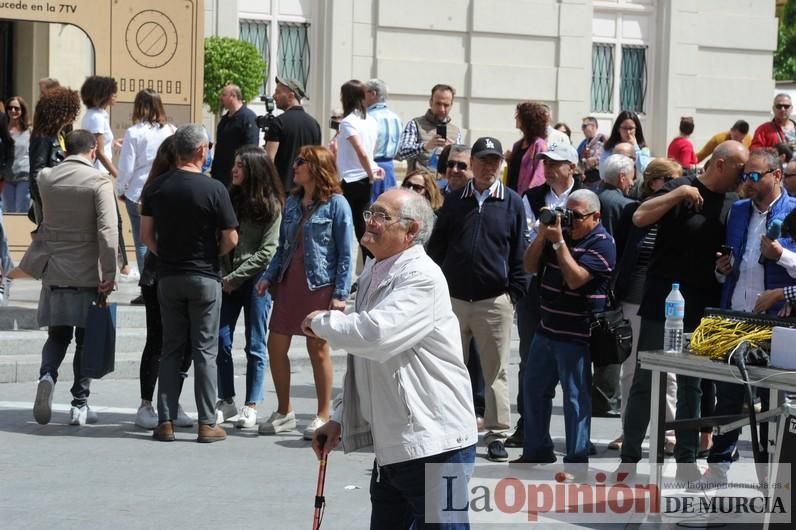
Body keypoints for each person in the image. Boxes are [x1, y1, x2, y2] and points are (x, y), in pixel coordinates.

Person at [307, 189, 477, 529]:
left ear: (411, 231)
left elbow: (376, 336)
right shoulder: (374, 271)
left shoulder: (421, 277)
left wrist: (321, 322)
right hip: (394, 447)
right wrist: (340, 417)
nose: (370, 221)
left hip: (435, 443)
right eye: (371, 213)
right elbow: (364, 362)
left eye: (382, 216)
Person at [619, 141, 749, 478]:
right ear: (720, 164)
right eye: (739, 168)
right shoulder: (681, 187)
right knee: (646, 380)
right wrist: (678, 195)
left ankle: (687, 461)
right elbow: (639, 217)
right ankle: (630, 457)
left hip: (700, 304)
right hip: (662, 300)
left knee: (692, 385)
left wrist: (724, 266)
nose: (743, 175)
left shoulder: (732, 203)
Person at [427, 137, 528, 462]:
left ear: (501, 164)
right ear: (472, 162)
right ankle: (448, 428)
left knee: (495, 371)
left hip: (494, 301)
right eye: (482, 160)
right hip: (454, 300)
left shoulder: (512, 202)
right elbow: (438, 249)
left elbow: (519, 253)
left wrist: (513, 293)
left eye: (494, 161)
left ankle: (497, 434)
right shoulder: (455, 200)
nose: (488, 167)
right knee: (448, 367)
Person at [140, 124, 239, 443]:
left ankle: (165, 420)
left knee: (171, 347)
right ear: (200, 151)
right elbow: (231, 237)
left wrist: (166, 253)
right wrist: (213, 255)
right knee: (204, 351)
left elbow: (145, 236)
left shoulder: (156, 187)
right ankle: (207, 423)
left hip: (168, 276)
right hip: (204, 275)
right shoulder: (214, 189)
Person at [705, 149, 796, 481]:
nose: (747, 182)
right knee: (727, 398)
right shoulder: (738, 211)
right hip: (734, 319)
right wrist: (721, 269)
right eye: (745, 176)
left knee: (775, 405)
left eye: (755, 176)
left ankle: (774, 482)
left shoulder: (793, 212)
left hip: (776, 325)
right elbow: (733, 265)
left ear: (775, 175)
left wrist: (782, 254)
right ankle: (717, 470)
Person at [255, 146, 353, 440]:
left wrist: (340, 293)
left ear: (316, 167)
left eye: (300, 162)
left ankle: (323, 414)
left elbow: (347, 252)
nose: (294, 166)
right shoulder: (293, 203)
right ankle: (284, 411)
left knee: (317, 348)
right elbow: (283, 246)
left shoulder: (337, 205)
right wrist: (268, 276)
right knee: (275, 346)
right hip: (289, 283)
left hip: (319, 286)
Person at [21, 130, 118, 426]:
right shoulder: (98, 181)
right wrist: (110, 272)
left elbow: (39, 216)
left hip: (55, 271)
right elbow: (107, 231)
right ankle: (79, 403)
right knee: (86, 340)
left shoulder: (47, 178)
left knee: (57, 335)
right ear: (93, 151)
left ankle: (47, 376)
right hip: (88, 273)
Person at [517, 188, 616, 467]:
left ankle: (576, 456)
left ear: (596, 217)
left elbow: (575, 279)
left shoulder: (603, 243)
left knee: (575, 399)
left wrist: (559, 242)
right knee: (534, 390)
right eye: (566, 213)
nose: (569, 221)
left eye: (576, 216)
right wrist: (542, 235)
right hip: (546, 328)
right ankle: (536, 449)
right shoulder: (557, 236)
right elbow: (528, 265)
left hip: (576, 334)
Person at [507, 143, 582, 448]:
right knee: (529, 360)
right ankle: (529, 427)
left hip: (574, 290)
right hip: (537, 289)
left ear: (572, 167)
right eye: (546, 163)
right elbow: (527, 240)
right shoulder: (533, 197)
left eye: (556, 163)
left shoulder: (585, 199)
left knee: (575, 365)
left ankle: (578, 437)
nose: (549, 168)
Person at [610, 158, 683, 453]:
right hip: (634, 298)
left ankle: (669, 433)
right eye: (672, 181)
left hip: (670, 300)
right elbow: (621, 250)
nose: (680, 186)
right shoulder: (633, 211)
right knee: (630, 369)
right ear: (655, 182)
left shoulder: (680, 212)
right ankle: (629, 429)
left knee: (671, 371)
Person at [214, 146, 283, 429]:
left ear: (254, 169)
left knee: (255, 343)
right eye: (234, 164)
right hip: (228, 278)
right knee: (220, 339)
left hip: (256, 281)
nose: (234, 170)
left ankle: (251, 404)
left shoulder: (272, 205)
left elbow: (268, 251)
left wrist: (236, 276)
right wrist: (224, 274)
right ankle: (226, 399)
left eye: (240, 165)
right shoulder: (228, 198)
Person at [132, 136, 194, 430]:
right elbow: (147, 236)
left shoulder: (161, 186)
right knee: (163, 339)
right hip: (162, 272)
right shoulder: (157, 189)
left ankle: (166, 401)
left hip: (168, 270)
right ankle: (149, 403)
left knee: (175, 340)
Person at [116, 89, 175, 287]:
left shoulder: (133, 132)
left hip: (138, 191)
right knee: (164, 238)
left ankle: (147, 285)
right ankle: (163, 282)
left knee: (142, 241)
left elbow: (126, 168)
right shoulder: (170, 130)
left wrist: (120, 189)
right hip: (166, 191)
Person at [80, 75, 131, 278]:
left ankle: (122, 265)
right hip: (99, 175)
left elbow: (101, 146)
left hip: (99, 174)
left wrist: (113, 144)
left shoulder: (97, 114)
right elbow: (98, 151)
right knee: (113, 220)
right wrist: (118, 174)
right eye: (113, 92)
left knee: (110, 220)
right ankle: (123, 266)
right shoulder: (96, 117)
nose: (115, 96)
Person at [335, 80, 380, 263]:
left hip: (351, 179)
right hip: (364, 178)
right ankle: (369, 265)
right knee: (361, 225)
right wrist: (373, 170)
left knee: (354, 228)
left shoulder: (348, 122)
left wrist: (371, 172)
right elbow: (369, 150)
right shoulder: (371, 120)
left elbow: (361, 150)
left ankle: (368, 265)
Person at [28, 86, 81, 224]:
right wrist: (45, 204)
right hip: (49, 201)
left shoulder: (62, 135)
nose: (74, 115)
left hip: (62, 199)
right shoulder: (42, 137)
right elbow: (36, 174)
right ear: (59, 112)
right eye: (71, 111)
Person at [265, 77, 321, 190]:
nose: (274, 96)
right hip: (306, 189)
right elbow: (317, 159)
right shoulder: (314, 124)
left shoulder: (278, 122)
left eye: (278, 92)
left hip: (282, 189)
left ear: (291, 96)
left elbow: (269, 159)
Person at [397, 84, 462, 172]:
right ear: (431, 102)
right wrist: (425, 147)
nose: (442, 109)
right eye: (438, 104)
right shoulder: (415, 124)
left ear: (451, 105)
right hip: (420, 183)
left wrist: (453, 149)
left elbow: (462, 160)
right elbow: (401, 153)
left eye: (446, 105)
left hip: (446, 183)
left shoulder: (455, 131)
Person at [210, 84, 259, 188]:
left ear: (233, 97)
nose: (221, 98)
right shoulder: (224, 120)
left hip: (237, 176)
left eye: (224, 95)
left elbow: (251, 148)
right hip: (220, 175)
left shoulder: (248, 118)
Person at [365, 78, 402, 202]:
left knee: (369, 210)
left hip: (372, 168)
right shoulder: (396, 118)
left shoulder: (368, 117)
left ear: (373, 94)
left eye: (363, 92)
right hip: (390, 169)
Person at [506, 101, 547, 194]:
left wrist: (528, 197)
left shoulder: (539, 145)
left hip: (527, 197)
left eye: (518, 115)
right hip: (512, 193)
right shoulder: (517, 145)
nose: (515, 118)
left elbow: (539, 175)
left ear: (527, 120)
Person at [600, 110, 652, 176]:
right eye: (624, 128)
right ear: (618, 129)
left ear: (636, 129)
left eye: (631, 128)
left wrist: (635, 147)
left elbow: (644, 170)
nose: (628, 132)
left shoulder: (643, 149)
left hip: (636, 185)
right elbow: (603, 172)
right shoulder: (610, 147)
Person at [4, 96, 31, 212]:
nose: (13, 111)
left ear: (22, 110)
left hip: (24, 176)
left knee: (22, 210)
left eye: (16, 108)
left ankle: (22, 231)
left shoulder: (29, 130)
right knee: (8, 211)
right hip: (6, 177)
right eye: (10, 108)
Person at [577, 116, 606, 187]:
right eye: (582, 127)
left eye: (584, 126)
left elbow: (598, 160)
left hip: (596, 179)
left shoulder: (602, 141)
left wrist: (592, 161)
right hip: (585, 179)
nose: (582, 129)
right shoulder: (584, 143)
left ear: (593, 127)